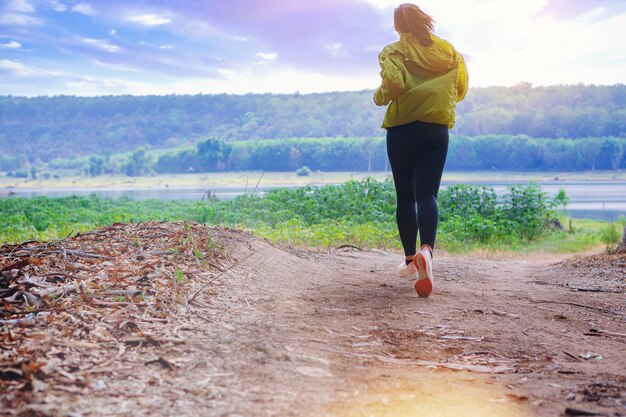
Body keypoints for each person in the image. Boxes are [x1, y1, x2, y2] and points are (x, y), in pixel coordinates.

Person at [374, 3, 468, 297]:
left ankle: (409, 260)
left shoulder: (393, 51)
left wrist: (378, 98)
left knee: (405, 197)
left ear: (397, 27)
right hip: (435, 130)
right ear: (424, 22)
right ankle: (427, 251)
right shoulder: (450, 52)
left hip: (402, 130)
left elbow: (394, 83)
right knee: (427, 194)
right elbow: (461, 89)